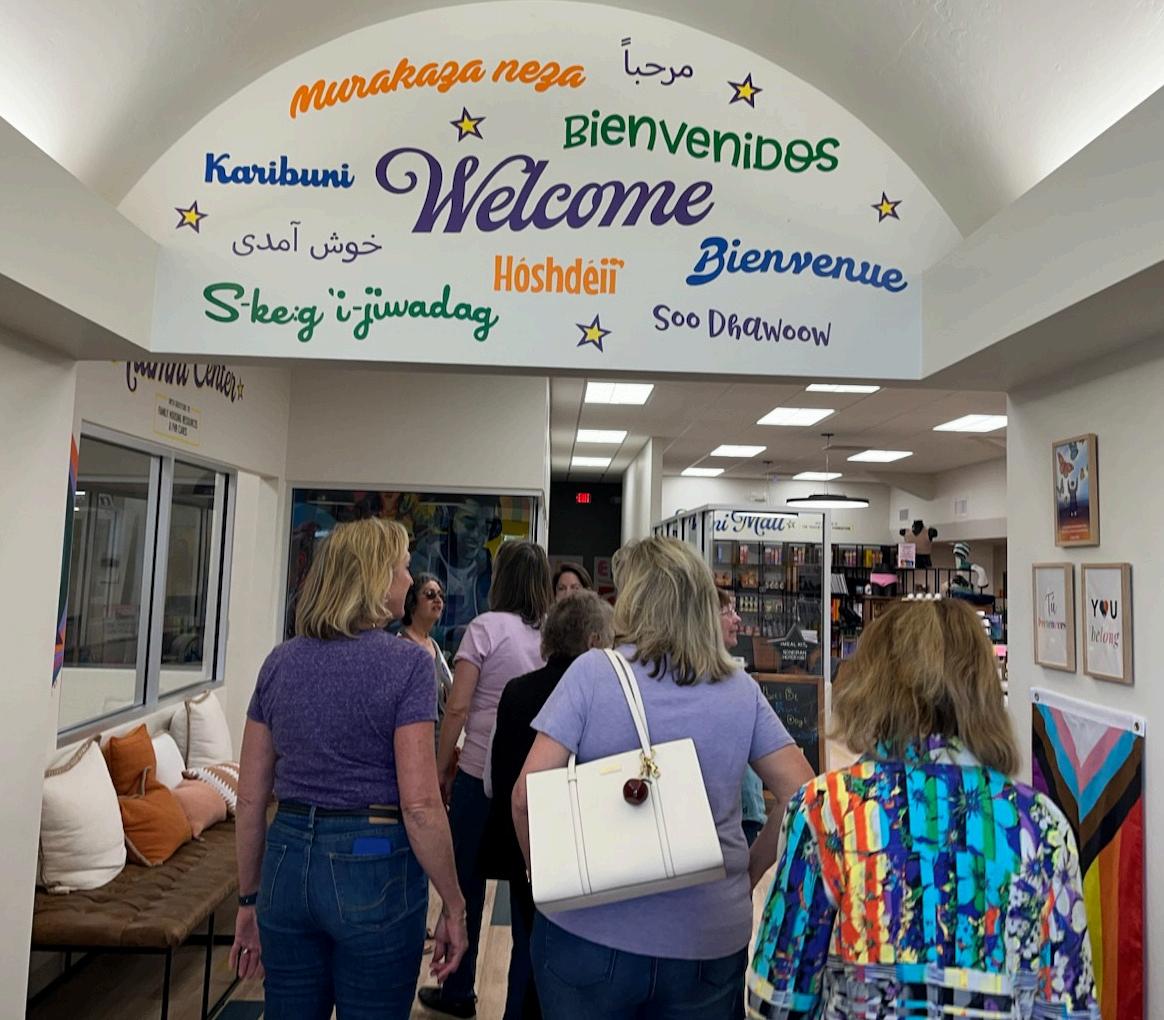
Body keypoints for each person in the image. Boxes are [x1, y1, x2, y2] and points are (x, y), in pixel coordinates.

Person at [748, 598, 1098, 1019]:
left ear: (873, 684)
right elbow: (1067, 1003)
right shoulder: (1039, 825)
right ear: (983, 690)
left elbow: (779, 999)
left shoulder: (828, 812)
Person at [513, 537, 816, 1020]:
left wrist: (545, 878)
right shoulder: (740, 689)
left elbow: (525, 798)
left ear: (634, 599)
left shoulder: (594, 673)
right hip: (708, 936)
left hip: (590, 930)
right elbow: (805, 797)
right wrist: (749, 871)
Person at [229, 518, 467, 1020]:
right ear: (376, 579)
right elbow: (421, 805)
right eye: (402, 568)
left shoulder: (279, 662)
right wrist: (454, 904)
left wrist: (248, 900)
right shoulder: (408, 666)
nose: (409, 580)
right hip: (372, 856)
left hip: (286, 860)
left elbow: (249, 798)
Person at [419, 539, 554, 1018]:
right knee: (526, 899)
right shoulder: (550, 637)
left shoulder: (484, 629)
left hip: (479, 774)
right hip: (534, 781)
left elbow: (457, 707)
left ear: (501, 579)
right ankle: (517, 1008)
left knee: (465, 887)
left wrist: (441, 768)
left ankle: (457, 991)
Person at [483, 591, 615, 1020]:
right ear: (595, 641)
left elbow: (496, 776)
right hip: (581, 850)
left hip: (523, 846)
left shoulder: (516, 690)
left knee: (526, 947)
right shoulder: (599, 695)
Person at [717, 588, 768, 848]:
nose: (737, 619)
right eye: (728, 612)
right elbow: (794, 785)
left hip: (744, 811)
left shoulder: (735, 681)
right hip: (737, 814)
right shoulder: (733, 685)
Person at [399, 572, 454, 720]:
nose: (438, 600)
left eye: (441, 595)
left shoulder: (435, 645)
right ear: (412, 602)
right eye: (430, 594)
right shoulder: (402, 647)